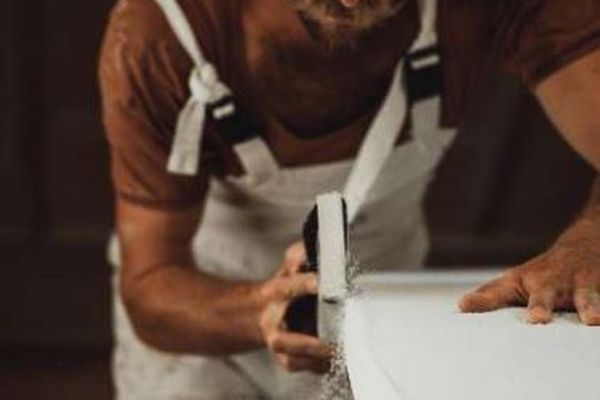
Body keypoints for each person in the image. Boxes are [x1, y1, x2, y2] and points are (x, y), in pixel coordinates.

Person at [99, 0, 600, 398]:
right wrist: (259, 311)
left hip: (380, 316)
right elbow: (150, 287)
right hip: (202, 330)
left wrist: (592, 235)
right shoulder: (159, 33)